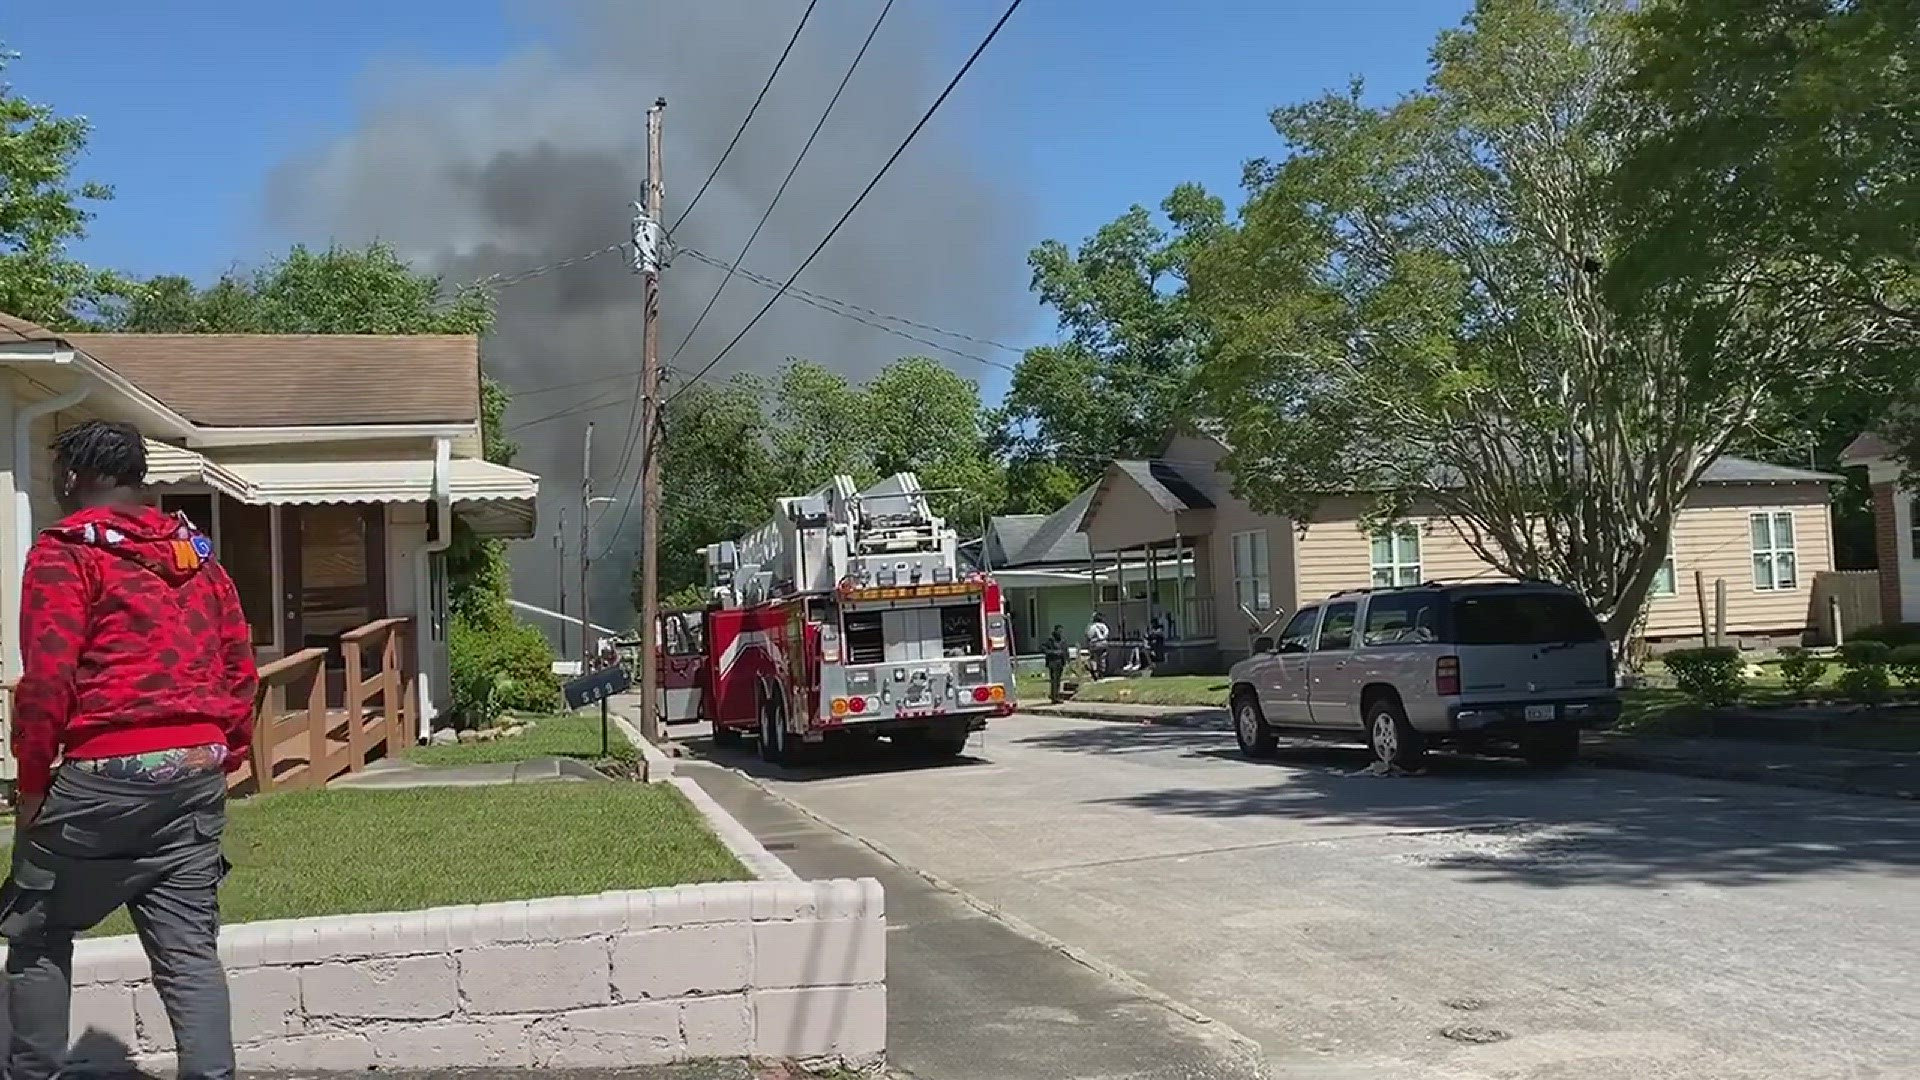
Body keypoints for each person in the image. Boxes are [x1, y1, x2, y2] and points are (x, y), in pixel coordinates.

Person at [3, 420, 258, 1080]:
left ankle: (31, 1073)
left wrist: (32, 786)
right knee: (189, 952)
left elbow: (48, 679)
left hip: (105, 772)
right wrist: (225, 748)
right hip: (196, 771)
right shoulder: (198, 559)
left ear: (70, 479)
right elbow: (240, 665)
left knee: (36, 928)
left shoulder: (65, 555)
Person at [1040, 625, 1069, 703]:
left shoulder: (1062, 640)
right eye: (1058, 631)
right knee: (1054, 680)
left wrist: (1067, 660)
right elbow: (1043, 649)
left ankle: (1057, 695)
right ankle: (1054, 697)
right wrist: (1054, 652)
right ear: (1055, 631)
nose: (1060, 633)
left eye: (1061, 631)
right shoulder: (1050, 640)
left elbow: (1065, 651)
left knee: (1058, 680)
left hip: (1060, 662)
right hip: (1053, 662)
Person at [1084, 612, 1111, 680]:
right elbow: (1106, 634)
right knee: (1102, 658)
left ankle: (1095, 673)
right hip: (1103, 643)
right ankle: (1102, 673)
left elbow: (1088, 635)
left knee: (1093, 658)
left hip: (1094, 643)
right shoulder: (1104, 626)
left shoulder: (1091, 627)